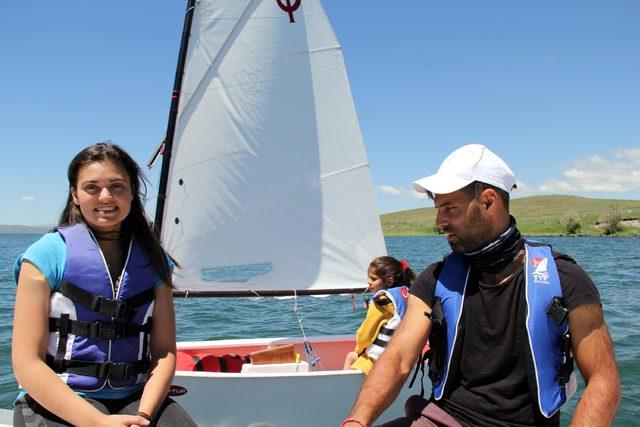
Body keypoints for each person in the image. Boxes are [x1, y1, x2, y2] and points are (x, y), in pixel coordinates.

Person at [342, 144, 621, 427]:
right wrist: (357, 421)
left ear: (488, 201)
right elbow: (399, 357)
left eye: (449, 208)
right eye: (439, 209)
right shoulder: (435, 279)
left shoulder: (566, 279)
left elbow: (603, 380)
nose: (439, 222)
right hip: (444, 420)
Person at [12, 143, 197, 426]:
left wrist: (143, 416)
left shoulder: (154, 260)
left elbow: (165, 352)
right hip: (58, 397)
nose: (106, 196)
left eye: (117, 186)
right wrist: (97, 423)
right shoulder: (44, 256)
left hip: (136, 398)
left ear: (132, 192)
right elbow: (27, 364)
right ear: (75, 194)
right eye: (91, 188)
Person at [343, 256, 416, 374]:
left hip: (379, 359)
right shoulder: (407, 293)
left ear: (389, 280)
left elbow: (365, 336)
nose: (369, 282)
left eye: (373, 278)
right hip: (402, 356)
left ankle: (344, 390)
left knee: (350, 357)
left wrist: (358, 350)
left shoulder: (382, 300)